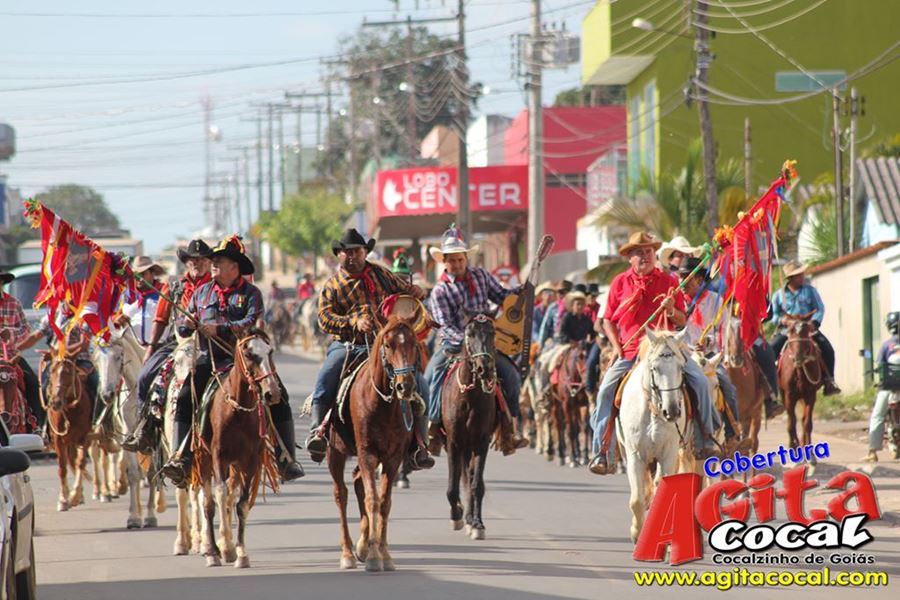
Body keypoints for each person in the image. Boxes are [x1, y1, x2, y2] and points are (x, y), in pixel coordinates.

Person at [161, 235, 305, 487]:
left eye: (219, 261)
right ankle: (180, 457)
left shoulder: (251, 294)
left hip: (247, 359)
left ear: (234, 267)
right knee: (184, 397)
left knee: (279, 395)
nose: (213, 264)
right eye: (213, 261)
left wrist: (220, 328)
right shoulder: (201, 293)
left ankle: (286, 458)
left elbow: (251, 322)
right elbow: (183, 327)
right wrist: (188, 324)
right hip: (209, 360)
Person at [588, 231, 721, 475]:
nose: (645, 256)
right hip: (631, 351)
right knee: (605, 391)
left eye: (649, 251)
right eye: (639, 252)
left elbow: (682, 321)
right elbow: (607, 320)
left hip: (667, 349)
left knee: (701, 382)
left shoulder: (669, 282)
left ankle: (705, 438)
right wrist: (616, 347)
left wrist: (670, 310)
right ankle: (603, 450)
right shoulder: (619, 283)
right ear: (630, 257)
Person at [306, 228, 434, 470]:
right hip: (349, 345)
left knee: (420, 383)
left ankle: (420, 444)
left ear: (365, 252)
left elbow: (404, 291)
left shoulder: (381, 274)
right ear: (339, 255)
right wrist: (352, 321)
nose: (352, 256)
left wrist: (417, 291)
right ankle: (318, 432)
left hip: (386, 345)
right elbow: (324, 318)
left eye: (357, 251)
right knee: (326, 376)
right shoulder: (332, 285)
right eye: (347, 252)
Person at [424, 226, 529, 455]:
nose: (457, 264)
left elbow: (502, 296)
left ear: (466, 258)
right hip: (453, 344)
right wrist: (467, 342)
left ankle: (510, 428)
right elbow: (445, 325)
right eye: (452, 260)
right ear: (444, 261)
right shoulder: (440, 290)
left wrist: (521, 292)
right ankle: (433, 428)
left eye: (460, 259)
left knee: (511, 375)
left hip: (485, 342)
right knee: (431, 376)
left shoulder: (481, 276)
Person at [123, 240, 213, 453]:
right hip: (178, 342)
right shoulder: (174, 288)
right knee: (144, 376)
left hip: (212, 342)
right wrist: (151, 347)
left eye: (201, 259)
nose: (196, 263)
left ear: (209, 262)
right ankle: (145, 429)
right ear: (186, 263)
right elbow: (161, 319)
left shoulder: (216, 287)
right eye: (192, 260)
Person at [676, 257, 752, 455]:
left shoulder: (715, 300)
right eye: (681, 277)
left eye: (687, 278)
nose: (682, 283)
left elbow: (724, 329)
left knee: (726, 386)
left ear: (700, 280)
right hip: (681, 354)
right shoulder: (676, 301)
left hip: (707, 355)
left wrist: (708, 341)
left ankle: (732, 433)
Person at [770, 260, 841, 396]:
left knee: (828, 349)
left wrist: (814, 322)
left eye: (802, 274)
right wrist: (783, 320)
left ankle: (829, 381)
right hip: (787, 332)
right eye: (799, 275)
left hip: (808, 330)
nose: (802, 277)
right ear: (791, 278)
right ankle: (771, 386)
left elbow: (820, 308)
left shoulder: (810, 291)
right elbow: (774, 315)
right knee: (770, 350)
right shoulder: (779, 295)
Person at [20, 306, 99, 425]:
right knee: (42, 387)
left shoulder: (84, 316)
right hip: (56, 362)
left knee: (96, 383)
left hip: (80, 360)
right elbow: (35, 336)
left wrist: (58, 352)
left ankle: (98, 422)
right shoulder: (52, 316)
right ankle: (42, 425)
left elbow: (84, 344)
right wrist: (16, 348)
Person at [0, 270, 42, 430]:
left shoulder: (13, 303)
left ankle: (36, 425)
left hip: (11, 356)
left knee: (32, 383)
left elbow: (26, 329)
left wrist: (11, 333)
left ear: (2, 283)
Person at [862, 311, 900, 462]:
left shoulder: (886, 345)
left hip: (888, 388)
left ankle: (872, 452)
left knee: (877, 416)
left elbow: (880, 365)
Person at [120, 256, 166, 346]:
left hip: (159, 346)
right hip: (134, 348)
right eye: (136, 275)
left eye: (143, 274)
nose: (139, 278)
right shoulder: (129, 295)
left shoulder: (163, 293)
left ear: (152, 273)